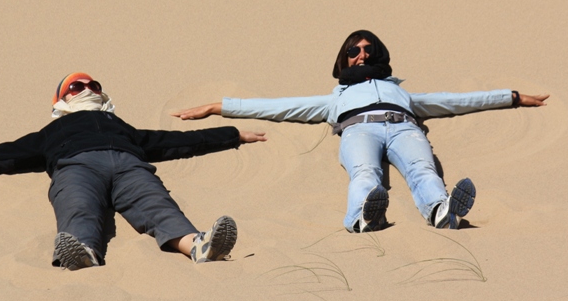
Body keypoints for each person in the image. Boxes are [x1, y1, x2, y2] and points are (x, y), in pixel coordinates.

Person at [174, 31, 548, 232]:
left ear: (380, 55)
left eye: (370, 49)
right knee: (365, 174)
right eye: (354, 50)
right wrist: (217, 106)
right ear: (344, 59)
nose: (363, 54)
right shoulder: (333, 99)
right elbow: (276, 106)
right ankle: (362, 219)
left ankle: (440, 211)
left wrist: (512, 97)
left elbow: (457, 101)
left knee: (424, 171)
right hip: (357, 130)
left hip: (404, 125)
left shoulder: (403, 92)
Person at [0, 72, 267, 270]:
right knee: (78, 209)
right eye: (77, 85)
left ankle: (198, 247)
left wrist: (234, 134)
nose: (87, 87)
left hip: (131, 165)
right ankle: (82, 252)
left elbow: (176, 142)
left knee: (158, 206)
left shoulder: (125, 128)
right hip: (75, 167)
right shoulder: (51, 133)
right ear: (60, 100)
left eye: (94, 85)